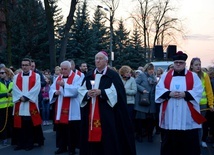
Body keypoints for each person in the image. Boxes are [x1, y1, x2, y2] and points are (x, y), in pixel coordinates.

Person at [78, 51, 136, 155]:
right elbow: (81, 90)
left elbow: (117, 93)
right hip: (91, 111)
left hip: (107, 112)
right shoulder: (89, 75)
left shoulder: (112, 75)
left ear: (106, 61)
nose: (98, 61)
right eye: (96, 59)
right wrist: (87, 93)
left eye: (100, 58)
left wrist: (102, 92)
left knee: (108, 137)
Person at [155, 51, 205, 155]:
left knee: (188, 146)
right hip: (170, 116)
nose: (178, 64)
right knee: (169, 145)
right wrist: (169, 93)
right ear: (173, 63)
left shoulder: (193, 76)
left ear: (185, 64)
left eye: (181, 62)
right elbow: (159, 89)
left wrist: (185, 94)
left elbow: (199, 91)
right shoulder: (165, 76)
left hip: (187, 116)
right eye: (176, 62)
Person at [49, 60, 82, 155]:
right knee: (61, 129)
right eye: (62, 69)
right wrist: (55, 93)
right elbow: (51, 89)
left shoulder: (77, 77)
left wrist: (65, 86)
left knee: (71, 130)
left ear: (70, 68)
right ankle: (62, 147)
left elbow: (76, 91)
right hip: (60, 106)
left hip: (72, 108)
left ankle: (71, 148)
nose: (63, 71)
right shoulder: (58, 78)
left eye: (65, 69)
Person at [12, 58, 44, 151]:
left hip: (30, 103)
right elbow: (15, 88)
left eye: (26, 65)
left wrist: (26, 97)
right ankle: (20, 144)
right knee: (20, 125)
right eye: (23, 65)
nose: (24, 67)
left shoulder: (36, 76)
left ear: (30, 66)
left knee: (29, 125)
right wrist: (20, 97)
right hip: (20, 104)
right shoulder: (16, 76)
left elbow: (36, 88)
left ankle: (29, 144)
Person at [189, 57, 214, 148]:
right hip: (191, 104)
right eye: (196, 65)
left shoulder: (205, 75)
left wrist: (211, 104)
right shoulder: (188, 75)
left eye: (199, 64)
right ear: (191, 66)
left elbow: (209, 91)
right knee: (191, 124)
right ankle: (192, 142)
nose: (198, 67)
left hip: (202, 104)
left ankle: (201, 141)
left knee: (200, 125)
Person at [134, 63, 157, 142]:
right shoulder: (142, 75)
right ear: (146, 69)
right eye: (150, 69)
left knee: (150, 121)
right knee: (141, 120)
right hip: (143, 100)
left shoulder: (154, 77)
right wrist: (142, 89)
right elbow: (135, 83)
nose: (151, 71)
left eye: (152, 69)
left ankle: (149, 136)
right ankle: (139, 135)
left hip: (151, 101)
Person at [0, 67, 14, 146]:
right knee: (2, 123)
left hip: (10, 105)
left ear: (7, 73)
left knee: (10, 123)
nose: (1, 74)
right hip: (1, 107)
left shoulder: (12, 82)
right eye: (0, 73)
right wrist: (6, 94)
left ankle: (11, 138)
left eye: (2, 73)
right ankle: (4, 138)